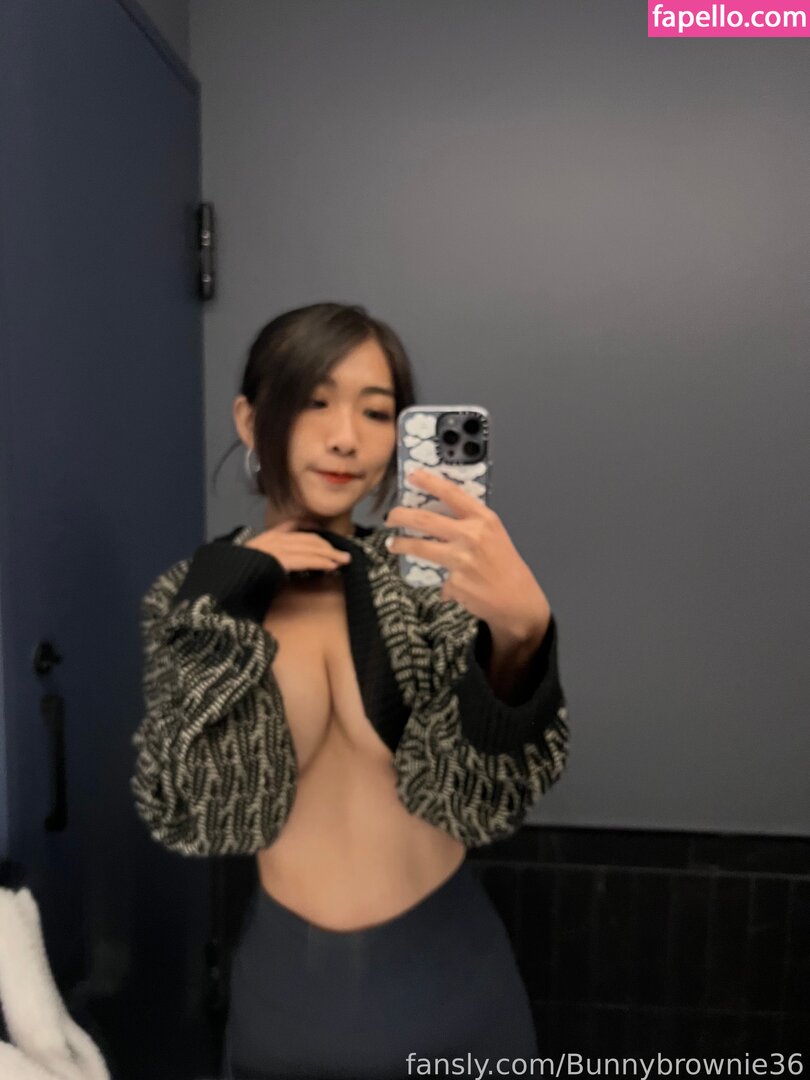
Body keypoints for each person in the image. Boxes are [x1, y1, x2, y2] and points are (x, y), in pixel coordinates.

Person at [130, 302, 570, 1080]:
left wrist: (520, 642)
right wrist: (226, 602)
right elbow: (195, 815)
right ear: (250, 418)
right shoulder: (194, 595)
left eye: (376, 412)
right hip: (285, 1004)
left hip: (453, 987)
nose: (345, 438)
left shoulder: (429, 586)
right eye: (315, 401)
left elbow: (478, 806)